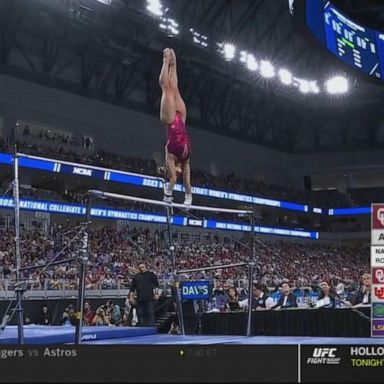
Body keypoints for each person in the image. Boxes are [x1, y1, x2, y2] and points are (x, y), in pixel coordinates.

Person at [159, 47, 192, 205]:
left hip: (171, 120)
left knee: (167, 88)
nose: (177, 172)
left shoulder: (171, 157)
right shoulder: (184, 159)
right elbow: (184, 180)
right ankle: (173, 62)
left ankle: (167, 61)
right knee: (174, 87)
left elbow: (173, 178)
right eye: (179, 171)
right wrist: (188, 197)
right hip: (181, 118)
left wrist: (168, 196)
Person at [128, 261, 159, 327]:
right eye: (140, 268)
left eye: (142, 267)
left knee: (150, 313)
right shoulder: (136, 277)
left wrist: (157, 293)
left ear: (145, 267)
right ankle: (142, 329)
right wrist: (131, 297)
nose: (142, 269)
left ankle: (151, 329)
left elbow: (156, 285)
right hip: (140, 299)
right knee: (140, 314)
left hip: (149, 298)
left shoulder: (151, 275)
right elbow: (132, 288)